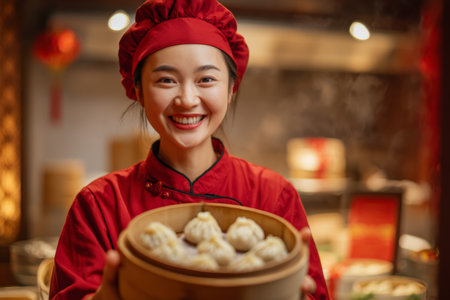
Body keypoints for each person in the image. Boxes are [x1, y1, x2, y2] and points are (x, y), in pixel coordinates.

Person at [49, 0, 329, 299]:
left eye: (206, 79)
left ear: (232, 88)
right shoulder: (99, 206)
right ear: (139, 91)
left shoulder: (273, 197)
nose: (186, 98)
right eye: (166, 80)